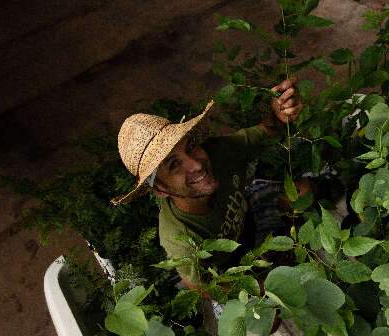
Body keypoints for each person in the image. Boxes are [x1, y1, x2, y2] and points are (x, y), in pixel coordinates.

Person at [112, 78, 302, 294]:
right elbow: (203, 288)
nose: (196, 164)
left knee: (302, 192)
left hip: (250, 216)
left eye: (191, 147)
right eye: (174, 165)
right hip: (231, 267)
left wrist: (281, 113)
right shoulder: (180, 239)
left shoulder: (218, 152)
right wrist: (258, 291)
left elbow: (266, 131)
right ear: (161, 190)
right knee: (270, 309)